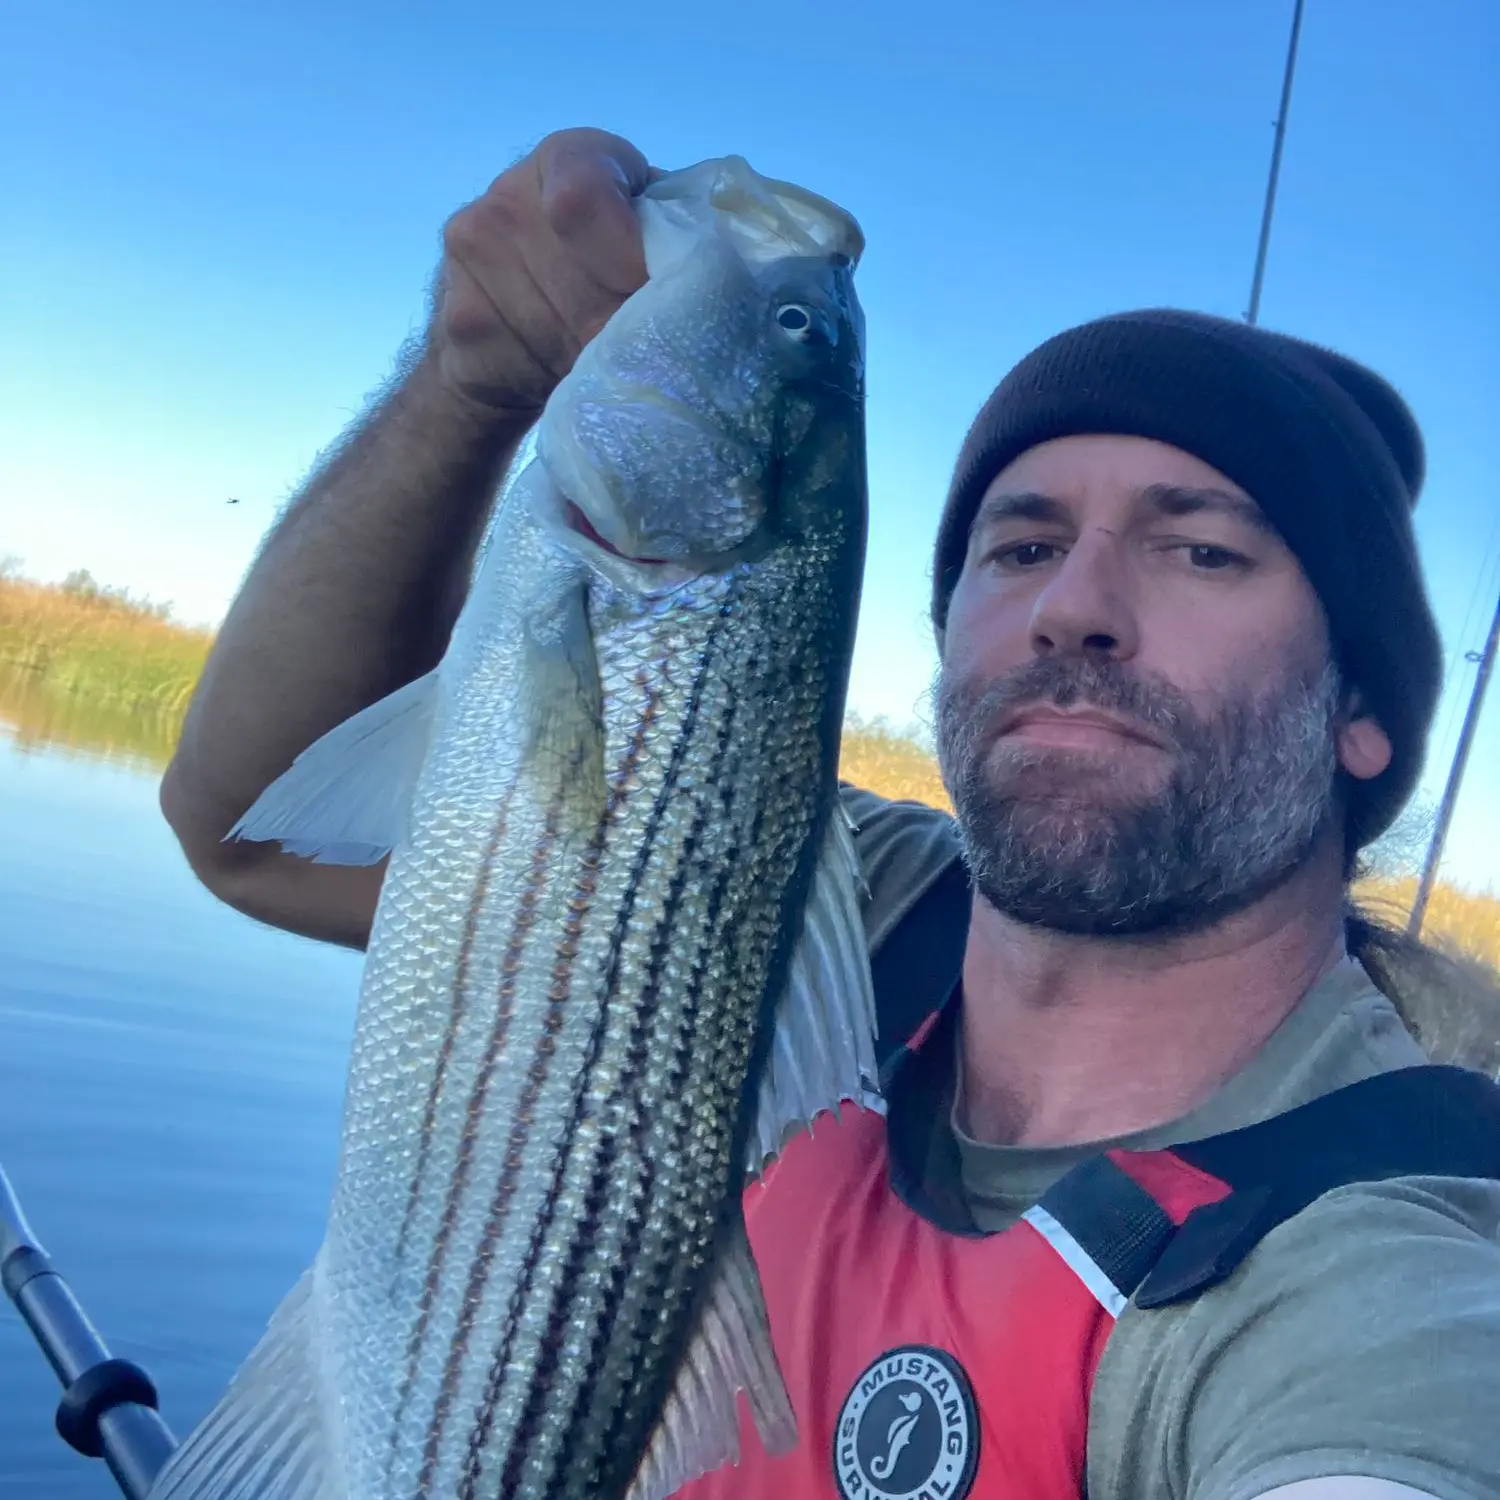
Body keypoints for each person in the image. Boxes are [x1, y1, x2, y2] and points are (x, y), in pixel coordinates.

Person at [160, 129, 1500, 1500]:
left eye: (1203, 550)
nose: (1074, 609)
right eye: (1021, 546)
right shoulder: (819, 887)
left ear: (1361, 717)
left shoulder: (1391, 1271)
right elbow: (252, 833)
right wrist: (461, 391)